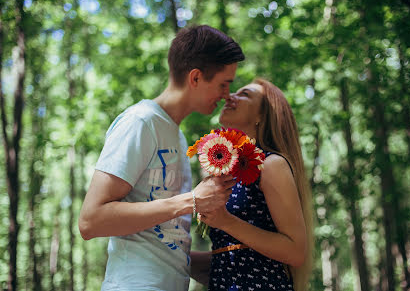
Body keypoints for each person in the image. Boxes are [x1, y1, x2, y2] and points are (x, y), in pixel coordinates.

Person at [78, 25, 245, 291]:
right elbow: (90, 221)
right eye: (223, 84)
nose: (227, 95)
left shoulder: (176, 135)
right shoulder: (141, 122)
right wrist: (190, 201)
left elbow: (164, 244)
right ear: (196, 78)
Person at [192, 79, 314, 291]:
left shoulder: (270, 164)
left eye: (245, 94)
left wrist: (226, 221)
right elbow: (232, 255)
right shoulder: (227, 170)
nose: (230, 96)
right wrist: (168, 254)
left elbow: (295, 252)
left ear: (262, 117)